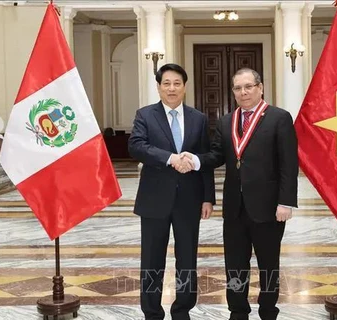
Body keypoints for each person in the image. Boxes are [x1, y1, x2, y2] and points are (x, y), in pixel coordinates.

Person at [179, 68, 298, 320]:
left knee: (268, 266)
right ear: (232, 92)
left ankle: (268, 311)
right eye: (237, 88)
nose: (243, 93)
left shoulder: (279, 118)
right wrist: (196, 160)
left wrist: (286, 202)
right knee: (234, 266)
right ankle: (238, 311)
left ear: (260, 87)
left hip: (268, 208)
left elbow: (289, 164)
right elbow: (216, 156)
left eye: (248, 87)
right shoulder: (226, 121)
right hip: (234, 208)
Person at [128, 63, 215, 320]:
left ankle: (182, 311)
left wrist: (208, 197)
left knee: (187, 260)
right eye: (166, 83)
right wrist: (170, 158)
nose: (172, 88)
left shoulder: (199, 118)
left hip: (189, 199)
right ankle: (152, 312)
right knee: (152, 261)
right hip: (154, 199)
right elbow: (136, 146)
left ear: (185, 87)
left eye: (177, 83)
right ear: (158, 87)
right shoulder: (145, 115)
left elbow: (206, 160)